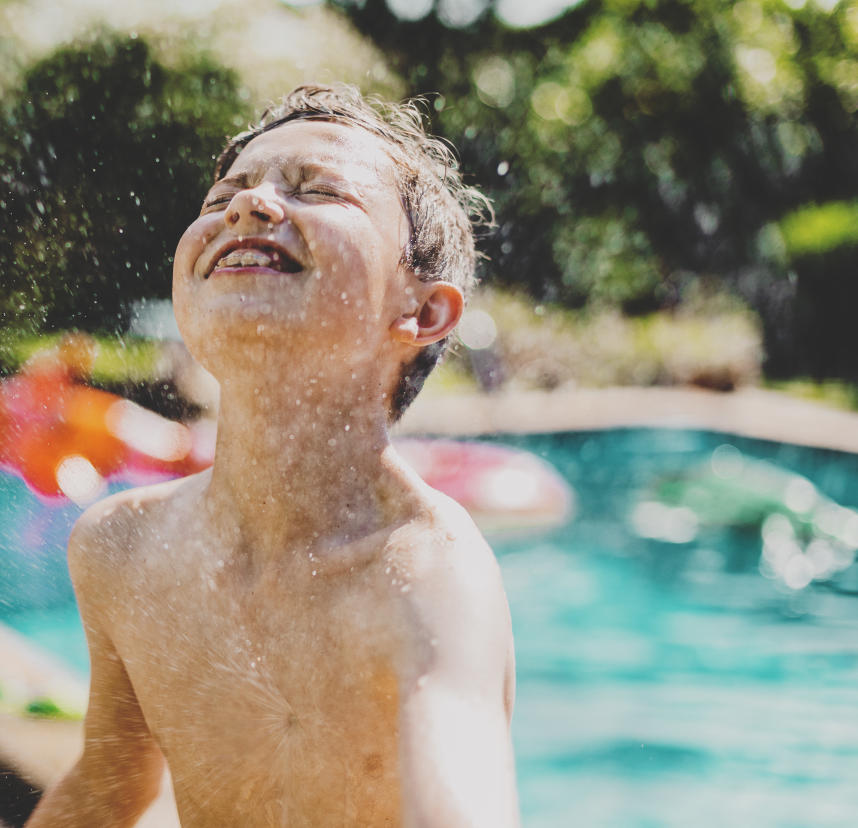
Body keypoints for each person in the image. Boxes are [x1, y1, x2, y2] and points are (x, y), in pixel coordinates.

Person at [26, 84, 518, 827]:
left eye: (320, 190)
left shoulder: (425, 575)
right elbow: (106, 788)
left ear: (420, 310)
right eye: (224, 193)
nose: (246, 207)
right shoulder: (122, 549)